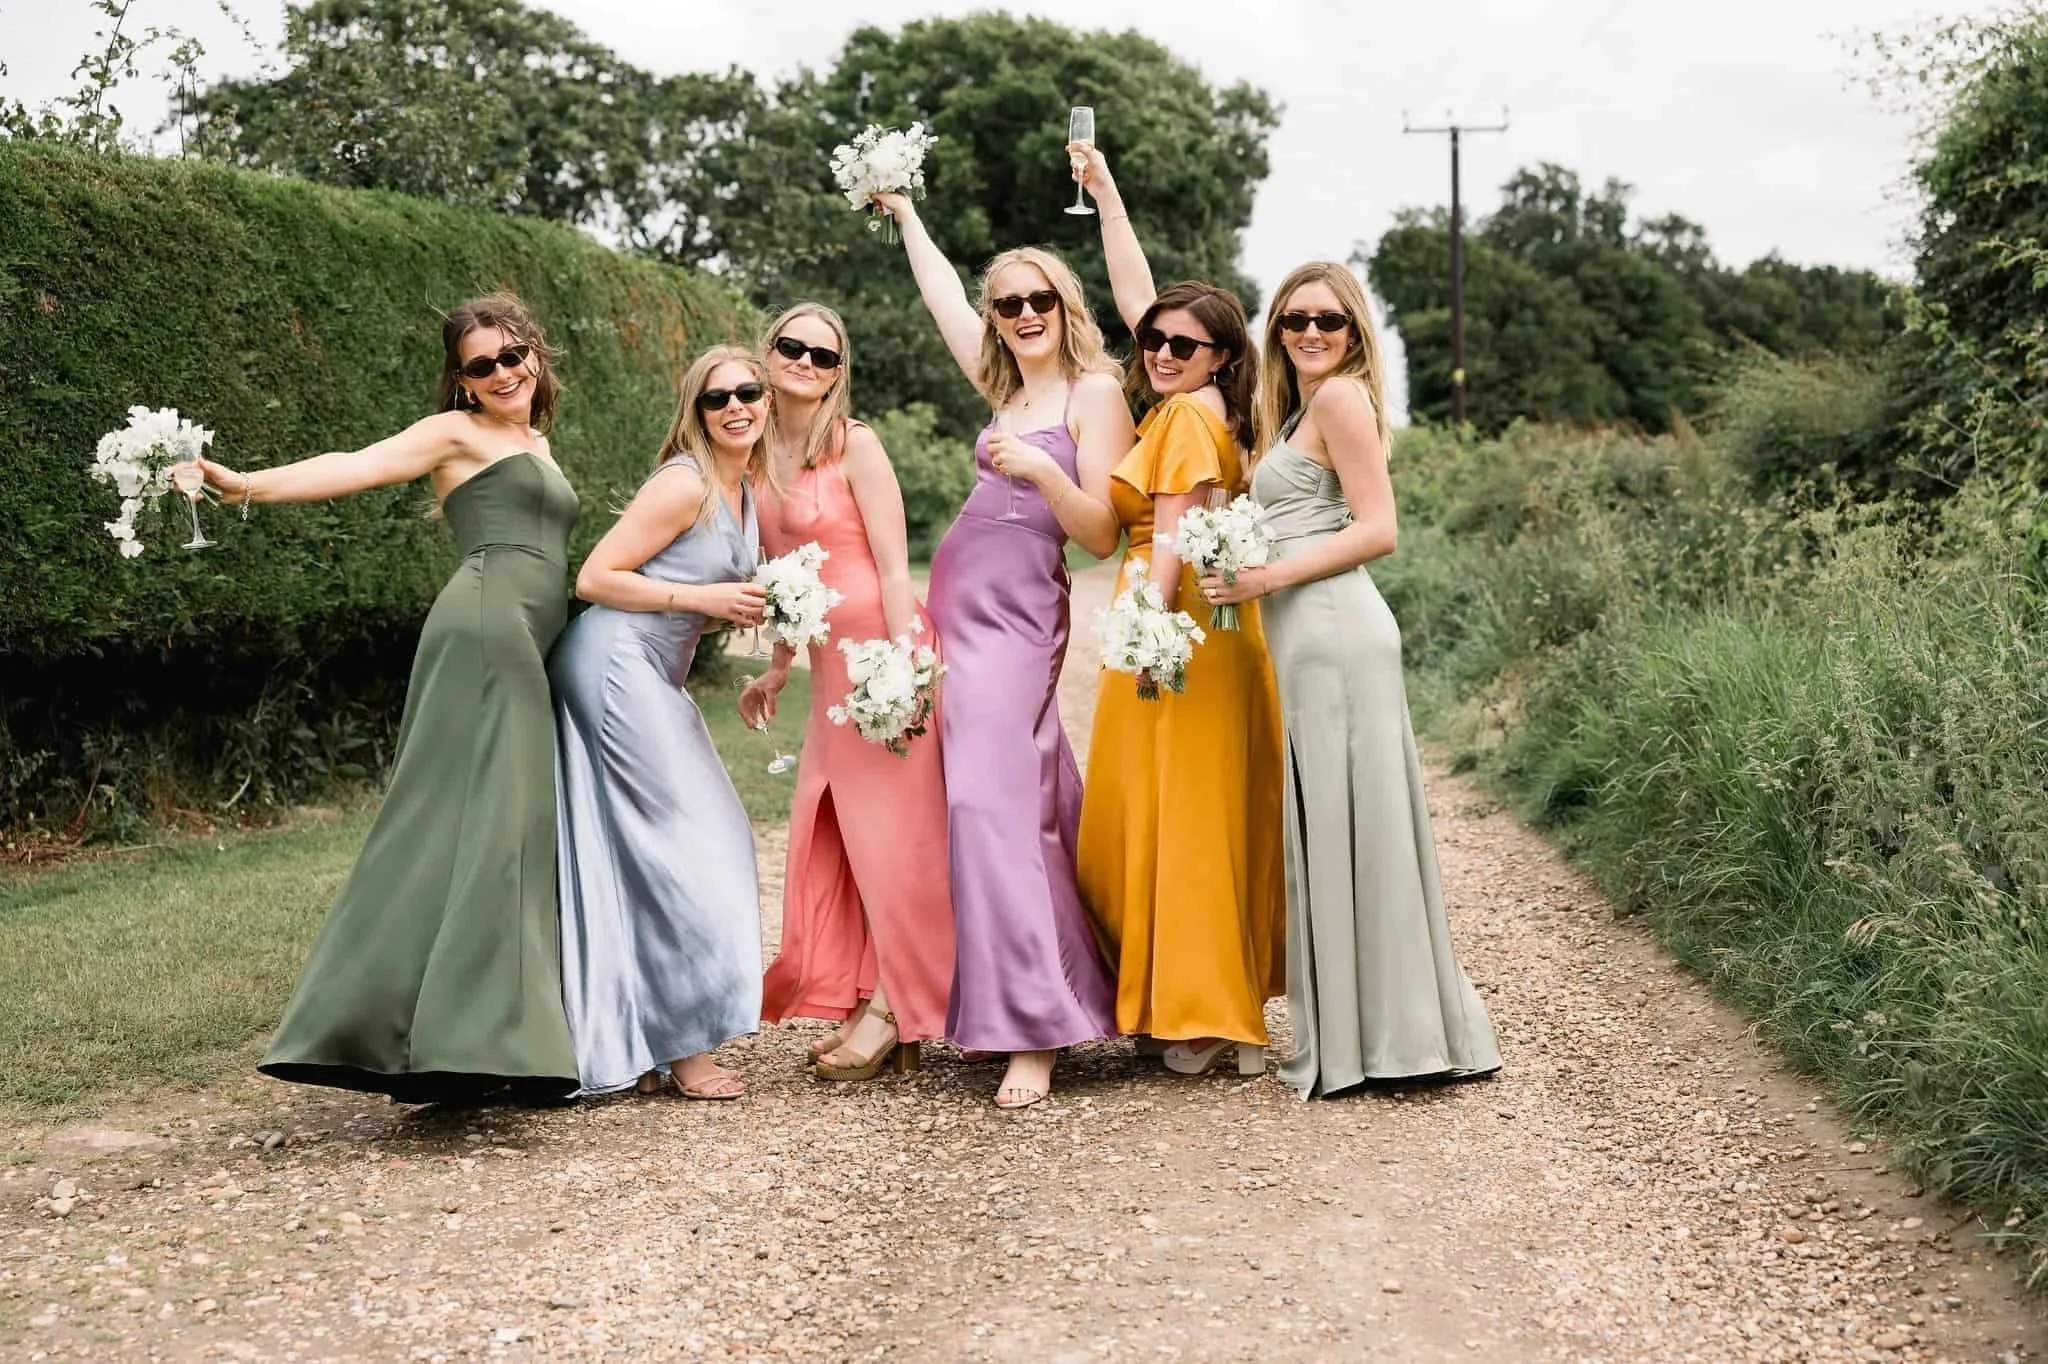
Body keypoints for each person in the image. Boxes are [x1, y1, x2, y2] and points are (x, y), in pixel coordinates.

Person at [188, 293, 581, 1105]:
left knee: (495, 828)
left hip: (521, 642)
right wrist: (245, 487)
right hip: (483, 633)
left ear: (533, 356)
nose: (503, 373)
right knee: (482, 825)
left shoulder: (536, 441)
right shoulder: (453, 434)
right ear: (461, 380)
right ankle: (442, 1041)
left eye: (513, 356)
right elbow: (353, 464)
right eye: (483, 365)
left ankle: (461, 1040)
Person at [1201, 261, 1503, 1098]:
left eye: (1328, 321)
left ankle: (1392, 1039)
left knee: (1356, 827)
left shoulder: (1339, 400)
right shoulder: (1297, 408)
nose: (1309, 333)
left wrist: (1264, 578)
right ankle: (1376, 1033)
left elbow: (1380, 529)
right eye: (1295, 318)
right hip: (1310, 637)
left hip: (1337, 630)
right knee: (1340, 826)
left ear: (1354, 330)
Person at [874, 189, 1136, 1109]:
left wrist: (1037, 472)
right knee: (1012, 801)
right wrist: (908, 214)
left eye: (1039, 301)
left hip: (1023, 612)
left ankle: (1037, 1027)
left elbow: (1102, 532)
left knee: (991, 804)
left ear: (1067, 307)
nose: (1023, 315)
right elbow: (944, 297)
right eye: (1008, 305)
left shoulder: (1096, 392)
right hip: (957, 597)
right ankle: (1050, 989)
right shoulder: (1008, 390)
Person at [1069, 147, 1287, 1078]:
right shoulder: (1205, 406)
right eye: (1151, 343)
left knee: (1176, 816)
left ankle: (1197, 1014)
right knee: (1197, 812)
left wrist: (1151, 640)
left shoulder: (1189, 419)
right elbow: (1138, 299)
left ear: (1221, 357)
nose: (1157, 353)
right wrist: (1108, 193)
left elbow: (1171, 530)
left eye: (1180, 345)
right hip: (1222, 636)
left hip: (1180, 634)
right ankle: (1212, 999)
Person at [742, 303, 957, 1082]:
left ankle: (898, 1007)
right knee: (849, 835)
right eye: (791, 347)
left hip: (880, 656)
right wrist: (775, 664)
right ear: (767, 353)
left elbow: (896, 566)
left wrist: (902, 665)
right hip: (829, 669)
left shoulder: (854, 444)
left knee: (897, 839)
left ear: (839, 371)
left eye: (822, 355)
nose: (804, 361)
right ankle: (874, 998)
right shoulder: (757, 451)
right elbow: (790, 580)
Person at [550, 345, 769, 1100]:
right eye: (719, 398)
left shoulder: (745, 488)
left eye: (750, 391)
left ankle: (641, 1028)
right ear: (696, 412)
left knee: (646, 847)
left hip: (653, 669)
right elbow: (595, 578)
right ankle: (684, 1042)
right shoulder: (686, 483)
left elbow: (691, 589)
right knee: (693, 838)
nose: (738, 406)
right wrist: (703, 603)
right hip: (614, 665)